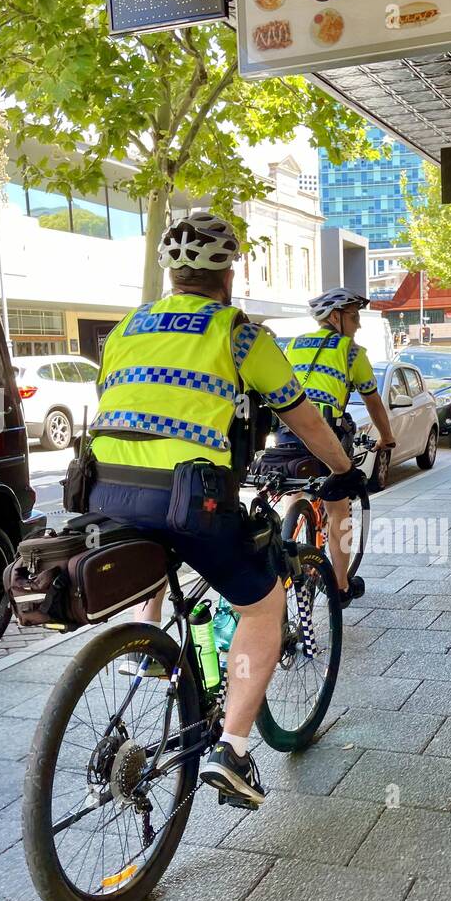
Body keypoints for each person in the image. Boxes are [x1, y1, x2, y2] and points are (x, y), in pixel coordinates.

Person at [87, 211, 361, 807]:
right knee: (263, 605)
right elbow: (303, 417)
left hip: (105, 491)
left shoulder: (128, 326)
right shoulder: (239, 333)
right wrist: (343, 469)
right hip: (187, 497)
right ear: (229, 273)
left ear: (172, 272)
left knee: (160, 567)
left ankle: (149, 658)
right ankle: (233, 750)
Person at [264, 287, 397, 601]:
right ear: (335, 317)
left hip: (286, 432)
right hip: (326, 433)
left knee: (294, 487)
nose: (358, 324)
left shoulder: (293, 344)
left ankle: (293, 528)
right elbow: (373, 402)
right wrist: (387, 437)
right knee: (339, 509)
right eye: (353, 316)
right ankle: (340, 586)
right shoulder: (352, 352)